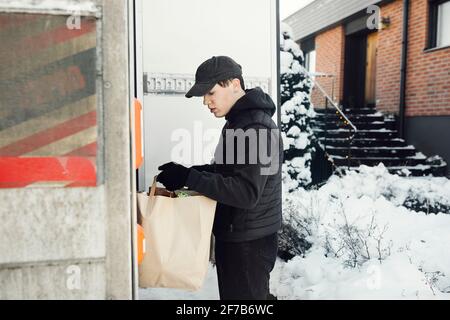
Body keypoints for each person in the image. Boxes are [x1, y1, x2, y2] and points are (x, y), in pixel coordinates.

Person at [157, 56, 282, 300]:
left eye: (211, 93)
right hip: (240, 236)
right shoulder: (240, 123)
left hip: (249, 243)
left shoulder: (256, 128)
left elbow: (246, 192)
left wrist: (190, 177)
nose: (206, 102)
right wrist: (186, 172)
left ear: (234, 84)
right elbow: (228, 172)